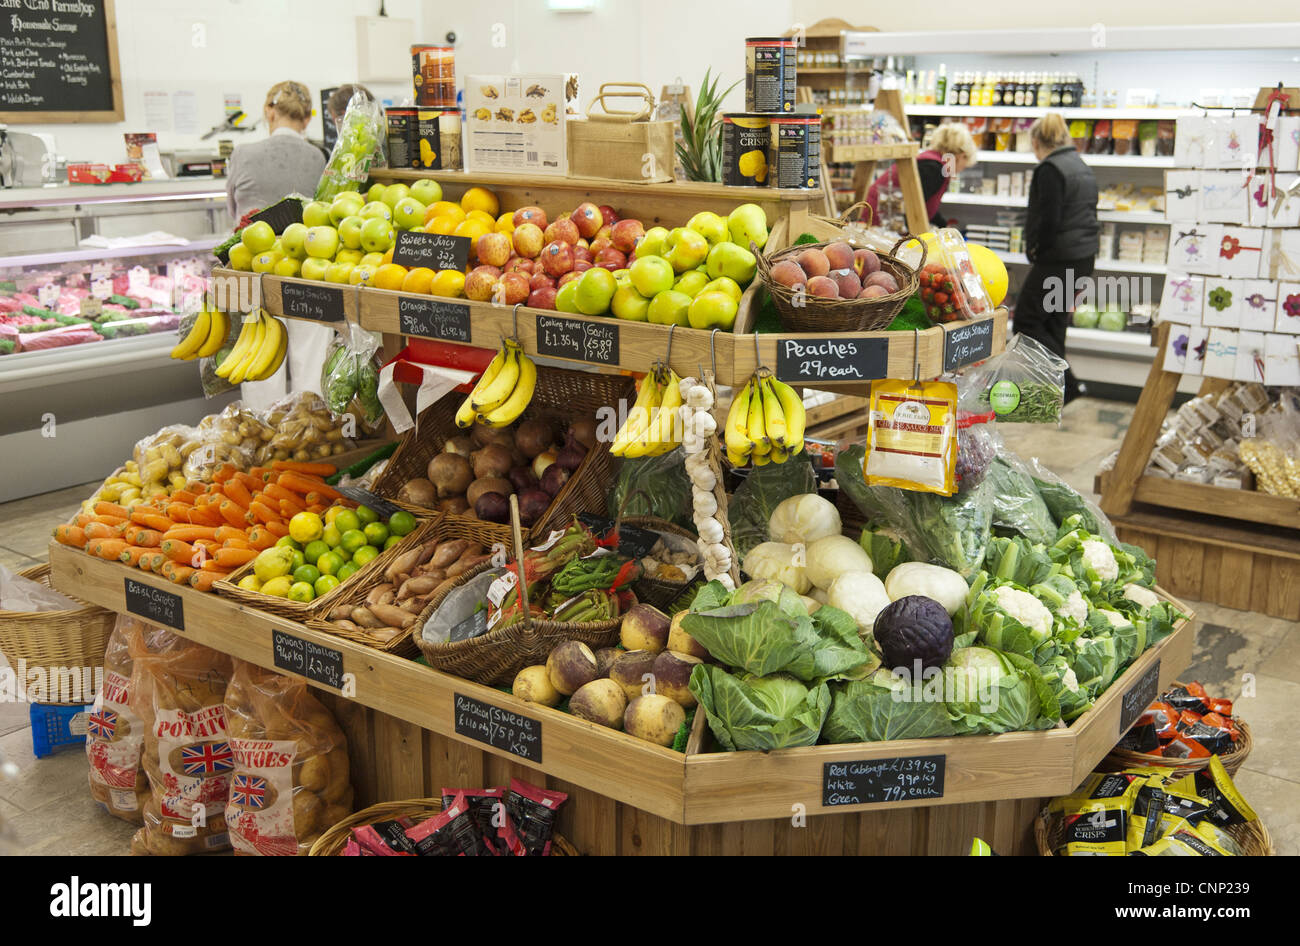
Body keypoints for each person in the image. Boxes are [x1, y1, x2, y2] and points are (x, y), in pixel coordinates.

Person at [1016, 112, 1099, 403]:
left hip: (1058, 259)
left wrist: (1036, 248)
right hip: (1082, 258)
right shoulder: (1081, 165)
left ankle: (1069, 384)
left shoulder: (1050, 169)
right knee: (1054, 322)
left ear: (1037, 141)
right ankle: (1059, 391)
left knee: (1026, 320)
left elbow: (1048, 220)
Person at [225, 81, 326, 222]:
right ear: (307, 119)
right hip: (300, 242)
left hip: (249, 241)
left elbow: (232, 210)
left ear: (270, 113)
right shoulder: (318, 157)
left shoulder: (242, 154)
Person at [864, 123, 977, 228]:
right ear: (960, 156)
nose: (961, 169)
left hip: (876, 215)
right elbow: (914, 209)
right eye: (965, 165)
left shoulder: (931, 162)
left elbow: (924, 205)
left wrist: (944, 226)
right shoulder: (934, 169)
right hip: (877, 221)